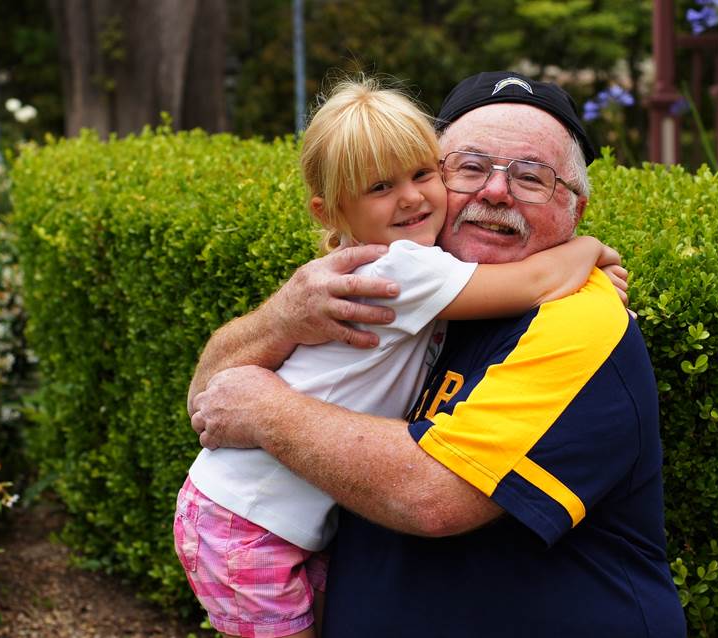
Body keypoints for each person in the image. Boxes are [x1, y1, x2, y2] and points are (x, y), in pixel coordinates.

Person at [188, 71, 687, 637]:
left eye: (531, 177)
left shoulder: (577, 321)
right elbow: (207, 398)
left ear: (576, 211)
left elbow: (434, 497)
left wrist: (263, 409)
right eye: (469, 168)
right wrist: (279, 317)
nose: (495, 192)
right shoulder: (396, 286)